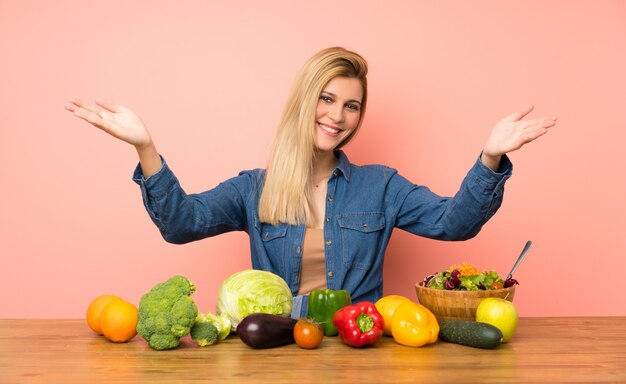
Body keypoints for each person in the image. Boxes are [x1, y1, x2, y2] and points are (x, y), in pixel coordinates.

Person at [66, 47, 557, 317]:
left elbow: (455, 224)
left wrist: (491, 155)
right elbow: (180, 224)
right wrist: (145, 147)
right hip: (275, 347)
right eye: (326, 98)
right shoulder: (253, 189)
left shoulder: (381, 186)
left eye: (352, 105)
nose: (337, 116)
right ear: (305, 102)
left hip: (358, 346)